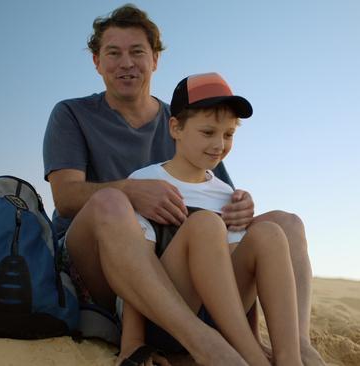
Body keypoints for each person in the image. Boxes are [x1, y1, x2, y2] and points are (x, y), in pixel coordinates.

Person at [42, 4, 325, 366]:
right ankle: (202, 342)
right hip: (97, 261)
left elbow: (220, 207)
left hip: (183, 269)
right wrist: (130, 192)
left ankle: (297, 347)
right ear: (97, 61)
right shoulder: (71, 114)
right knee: (113, 203)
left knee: (284, 224)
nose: (126, 62)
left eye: (137, 52)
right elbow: (66, 199)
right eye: (113, 53)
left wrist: (243, 204)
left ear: (155, 59)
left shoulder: (190, 121)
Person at [117, 72, 302, 366]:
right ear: (176, 128)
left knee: (270, 233)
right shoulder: (146, 182)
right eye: (208, 132)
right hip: (168, 315)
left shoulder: (224, 193)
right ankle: (253, 359)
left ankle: (289, 358)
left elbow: (238, 272)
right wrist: (134, 343)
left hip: (221, 319)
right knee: (205, 224)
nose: (219, 144)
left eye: (228, 134)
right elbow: (133, 266)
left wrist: (253, 332)